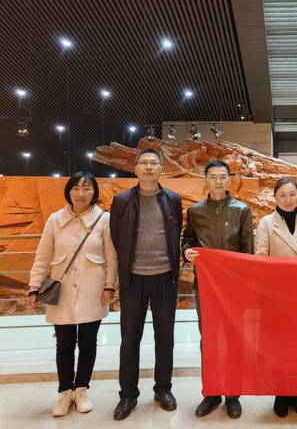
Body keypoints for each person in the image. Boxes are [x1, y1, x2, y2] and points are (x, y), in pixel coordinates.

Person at [28, 172, 117, 417]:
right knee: (64, 344)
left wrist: (110, 286)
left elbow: (112, 256)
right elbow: (42, 256)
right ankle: (65, 392)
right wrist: (34, 286)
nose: (81, 193)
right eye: (76, 188)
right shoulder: (55, 219)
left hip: (93, 291)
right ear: (68, 191)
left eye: (87, 188)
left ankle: (82, 390)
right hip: (62, 292)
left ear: (94, 192)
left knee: (88, 343)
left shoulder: (104, 219)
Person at [109, 148, 183, 421]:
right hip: (133, 279)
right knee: (130, 338)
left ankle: (163, 388)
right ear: (136, 168)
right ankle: (128, 394)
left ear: (161, 168)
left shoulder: (172, 199)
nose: (149, 167)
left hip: (165, 277)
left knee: (165, 337)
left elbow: (176, 232)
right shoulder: (122, 200)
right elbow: (116, 236)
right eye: (144, 163)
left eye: (154, 163)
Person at [182, 159, 254, 419]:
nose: (218, 181)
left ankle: (233, 394)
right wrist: (186, 252)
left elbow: (248, 251)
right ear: (206, 180)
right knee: (209, 339)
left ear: (229, 179)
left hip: (234, 287)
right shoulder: (196, 211)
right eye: (213, 176)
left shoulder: (242, 210)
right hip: (206, 285)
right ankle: (211, 392)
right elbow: (188, 239)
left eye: (223, 176)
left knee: (233, 338)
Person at [255, 176, 297, 418]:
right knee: (278, 348)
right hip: (276, 296)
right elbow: (260, 259)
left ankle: (296, 393)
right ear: (275, 198)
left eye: (292, 194)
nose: (288, 199)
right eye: (282, 195)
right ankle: (280, 394)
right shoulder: (266, 223)